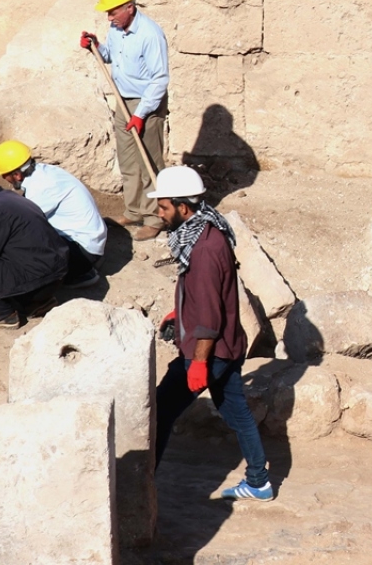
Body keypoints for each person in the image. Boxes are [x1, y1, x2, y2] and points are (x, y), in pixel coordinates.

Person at [150, 166, 273, 502]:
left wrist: (199, 363)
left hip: (210, 351)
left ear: (183, 207)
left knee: (160, 410)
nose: (159, 213)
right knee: (237, 411)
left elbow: (208, 317)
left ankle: (141, 487)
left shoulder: (202, 250)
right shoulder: (208, 230)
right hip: (230, 345)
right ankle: (259, 481)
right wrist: (180, 312)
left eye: (163, 207)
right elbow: (210, 294)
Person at [80, 0, 170, 242]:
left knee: (149, 163)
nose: (109, 17)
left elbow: (160, 79)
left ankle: (156, 218)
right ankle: (134, 210)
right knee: (129, 162)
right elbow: (113, 57)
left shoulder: (150, 34)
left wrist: (141, 114)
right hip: (122, 101)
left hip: (146, 105)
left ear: (130, 6)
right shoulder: (117, 29)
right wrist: (96, 47)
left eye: (113, 10)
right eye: (107, 11)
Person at [0, 140, 107, 288]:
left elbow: (19, 224)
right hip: (91, 240)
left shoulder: (41, 187)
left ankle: (82, 273)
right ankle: (88, 262)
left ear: (17, 175)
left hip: (83, 251)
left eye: (4, 175)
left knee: (21, 245)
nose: (3, 178)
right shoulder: (45, 172)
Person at [0, 163, 67, 327]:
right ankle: (37, 304)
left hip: (41, 280)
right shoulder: (6, 197)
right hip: (56, 272)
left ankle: (3, 316)